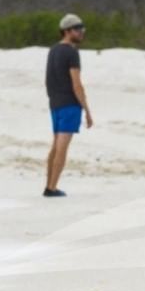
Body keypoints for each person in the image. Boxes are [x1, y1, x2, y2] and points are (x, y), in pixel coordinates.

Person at [43, 13, 93, 197]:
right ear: (67, 31)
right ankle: (52, 187)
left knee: (56, 145)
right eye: (77, 29)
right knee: (62, 147)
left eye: (82, 28)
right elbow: (76, 84)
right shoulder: (71, 52)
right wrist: (87, 110)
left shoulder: (53, 50)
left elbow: (48, 79)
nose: (81, 32)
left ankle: (49, 184)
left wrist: (53, 98)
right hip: (69, 104)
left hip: (55, 103)